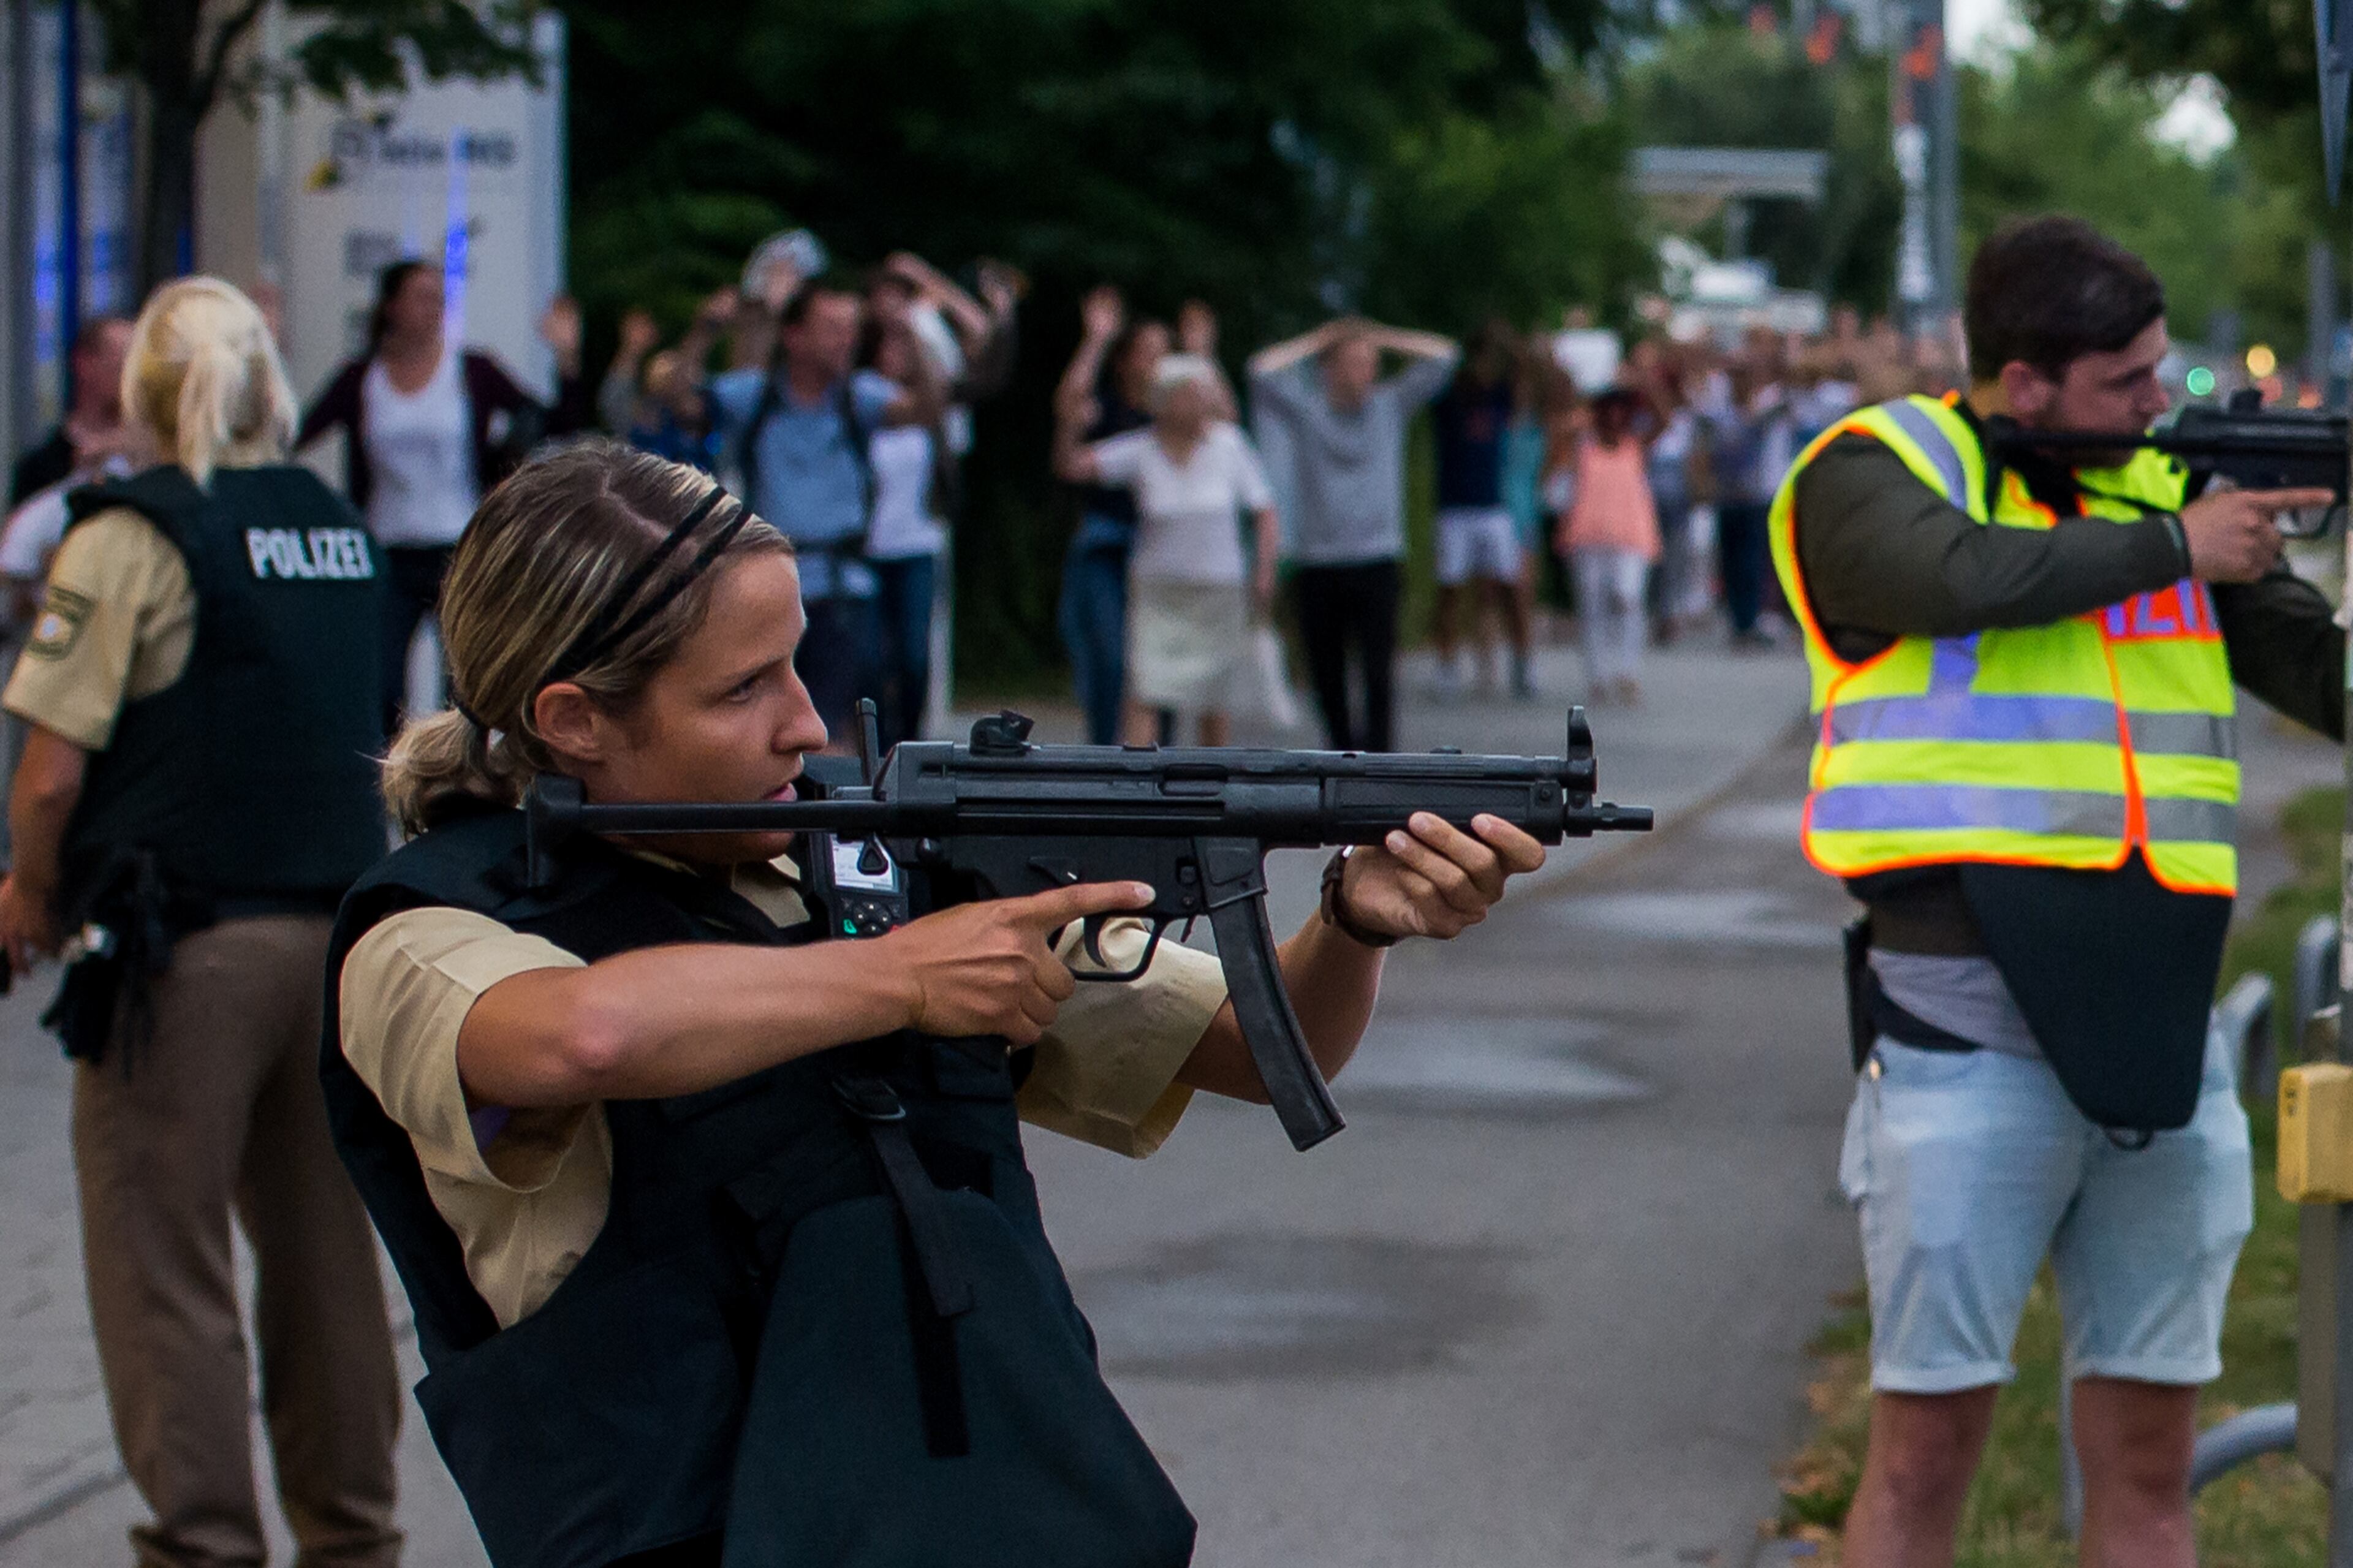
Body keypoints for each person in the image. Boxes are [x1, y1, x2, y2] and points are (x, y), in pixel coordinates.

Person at [321, 439, 1545, 1566]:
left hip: (1000, 1513)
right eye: (741, 688)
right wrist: (906, 975)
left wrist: (1351, 919)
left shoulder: (874, 863)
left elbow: (1256, 1041)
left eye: (797, 661)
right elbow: (579, 1032)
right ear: (574, 719)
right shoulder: (433, 929)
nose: (803, 720)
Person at [1770, 215, 2341, 1566]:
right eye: (2128, 382)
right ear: (2022, 384)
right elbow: (1950, 576)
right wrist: (2176, 548)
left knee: (2152, 1461)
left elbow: (2328, 678)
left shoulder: (2162, 493)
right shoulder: (1875, 470)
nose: (2161, 404)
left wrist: (2213, 542)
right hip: (1962, 1021)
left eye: (2162, 374)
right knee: (1924, 1456)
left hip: (2165, 1027)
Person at [0, 278, 401, 1567]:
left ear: (146, 392)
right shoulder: (337, 525)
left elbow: (53, 767)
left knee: (160, 1261)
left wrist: (28, 894)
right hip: (340, 946)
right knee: (327, 1262)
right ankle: (355, 1537)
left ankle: (205, 1544)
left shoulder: (131, 533)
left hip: (185, 955)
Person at [298, 259, 593, 735]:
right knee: (382, 684)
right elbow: (294, 435)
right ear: (392, 307)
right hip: (388, 550)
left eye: (440, 297)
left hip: (457, 548)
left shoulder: (471, 370)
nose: (434, 309)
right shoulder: (363, 378)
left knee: (462, 688)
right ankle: (391, 791)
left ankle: (457, 790)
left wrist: (566, 360)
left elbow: (556, 424)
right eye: (422, 297)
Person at [706, 274, 946, 740]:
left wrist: (912, 335)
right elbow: (676, 400)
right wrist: (708, 331)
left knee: (843, 726)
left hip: (844, 589)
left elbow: (927, 411)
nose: (847, 339)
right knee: (771, 726)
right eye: (833, 327)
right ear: (794, 335)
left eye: (852, 327)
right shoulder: (755, 396)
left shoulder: (859, 397)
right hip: (772, 585)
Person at [1248, 317, 1458, 752]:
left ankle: (1381, 759)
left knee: (1379, 670)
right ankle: (1340, 752)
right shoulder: (1308, 409)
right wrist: (1321, 339)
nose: (1364, 372)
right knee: (1327, 671)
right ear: (1330, 369)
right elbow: (1260, 370)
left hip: (1377, 557)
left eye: (1370, 363)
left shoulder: (1389, 405)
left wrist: (1380, 335)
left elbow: (1445, 355)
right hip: (1320, 560)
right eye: (1353, 362)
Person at [1055, 355, 1279, 748]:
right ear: (1166, 401)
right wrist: (1068, 424)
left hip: (1217, 594)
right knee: (1145, 692)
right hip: (1159, 596)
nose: (1202, 404)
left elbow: (1264, 510)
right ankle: (1141, 787)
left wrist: (1264, 570)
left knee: (1214, 700)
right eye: (1192, 395)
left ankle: (1214, 789)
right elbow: (1072, 466)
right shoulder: (1141, 450)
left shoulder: (1229, 446)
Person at [1056, 289, 1170, 744]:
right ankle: (1104, 749)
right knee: (1109, 657)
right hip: (1107, 544)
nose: (1157, 365)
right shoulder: (1103, 407)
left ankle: (1159, 755)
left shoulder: (1177, 416)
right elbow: (1067, 411)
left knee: (1161, 665)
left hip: (1164, 548)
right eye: (1148, 354)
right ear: (1125, 361)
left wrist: (1202, 357)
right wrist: (1097, 340)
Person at [857, 314, 955, 749]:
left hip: (916, 543)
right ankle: (877, 746)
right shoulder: (857, 402)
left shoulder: (923, 409)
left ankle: (910, 741)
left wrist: (918, 336)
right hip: (867, 547)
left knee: (915, 657)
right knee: (873, 659)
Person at [1431, 320, 1533, 700]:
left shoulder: (1498, 400)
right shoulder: (1448, 401)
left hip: (1493, 508)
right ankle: (1446, 668)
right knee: (1451, 592)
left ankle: (1523, 665)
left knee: (1511, 589)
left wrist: (1508, 340)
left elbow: (1525, 373)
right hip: (1455, 509)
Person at [1557, 388, 1661, 706]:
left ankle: (1628, 671)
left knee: (1628, 598)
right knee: (1592, 605)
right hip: (1588, 537)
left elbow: (1663, 421)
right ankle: (1597, 675)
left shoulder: (1635, 447)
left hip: (1631, 537)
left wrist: (1645, 386)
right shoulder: (1582, 448)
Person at [10, 315, 135, 506]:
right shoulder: (41, 468)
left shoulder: (150, 457)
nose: (131, 380)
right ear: (84, 363)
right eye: (120, 365)